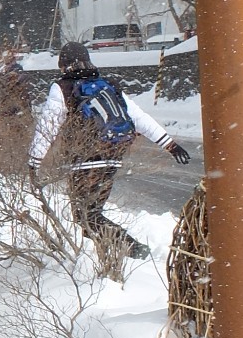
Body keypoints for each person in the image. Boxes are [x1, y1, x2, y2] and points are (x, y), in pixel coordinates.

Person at [29, 41, 191, 262]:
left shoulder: (63, 87)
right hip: (113, 156)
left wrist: (34, 162)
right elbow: (138, 117)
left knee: (86, 216)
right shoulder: (108, 85)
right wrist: (169, 144)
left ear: (63, 64)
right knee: (91, 213)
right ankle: (117, 252)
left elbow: (47, 127)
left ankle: (132, 250)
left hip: (83, 160)